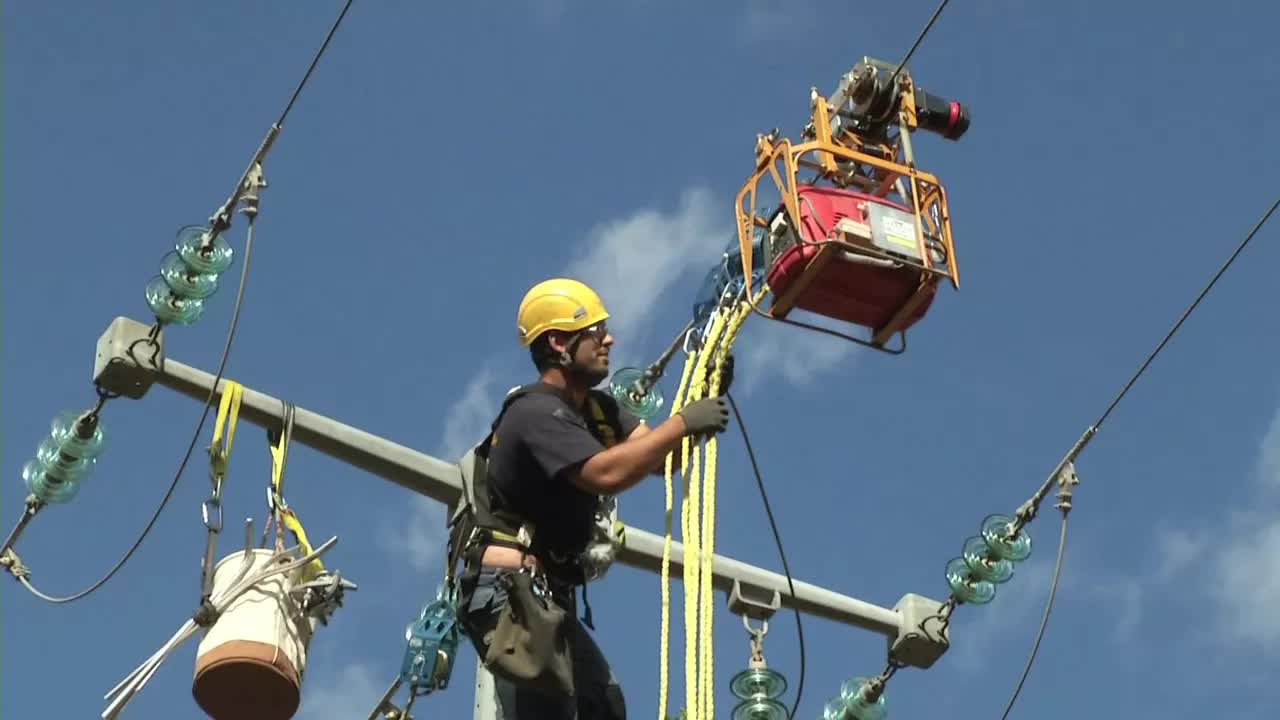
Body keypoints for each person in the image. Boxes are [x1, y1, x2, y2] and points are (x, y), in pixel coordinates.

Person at [456, 277, 733, 720]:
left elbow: (659, 458)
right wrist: (682, 423)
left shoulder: (599, 411)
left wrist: (703, 401)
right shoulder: (533, 414)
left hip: (546, 595)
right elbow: (605, 473)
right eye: (595, 332)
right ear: (559, 342)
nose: (609, 339)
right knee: (549, 706)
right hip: (510, 594)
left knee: (602, 705)